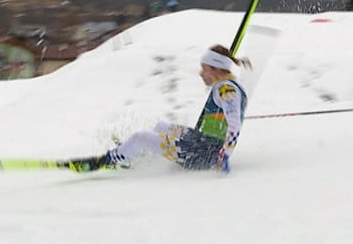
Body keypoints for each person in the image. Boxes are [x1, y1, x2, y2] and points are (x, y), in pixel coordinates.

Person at [68, 45, 248, 173]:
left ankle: (107, 161)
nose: (200, 73)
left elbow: (234, 125)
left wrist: (224, 156)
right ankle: (130, 156)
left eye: (205, 69)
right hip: (202, 142)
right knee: (161, 127)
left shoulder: (227, 89)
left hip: (206, 154)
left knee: (140, 137)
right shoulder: (226, 84)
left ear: (217, 69)